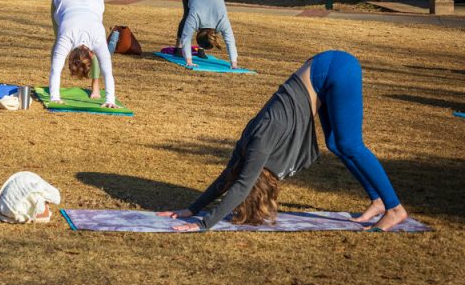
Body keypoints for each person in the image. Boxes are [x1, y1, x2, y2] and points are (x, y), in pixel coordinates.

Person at [158, 50, 408, 232]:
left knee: (352, 145)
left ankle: (394, 208)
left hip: (336, 70)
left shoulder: (259, 145)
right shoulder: (248, 145)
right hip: (321, 71)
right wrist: (192, 209)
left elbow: (242, 185)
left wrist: (203, 224)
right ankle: (377, 200)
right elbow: (228, 177)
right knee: (337, 144)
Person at [49, 0, 118, 108]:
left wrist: (110, 100)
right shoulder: (65, 38)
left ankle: (93, 85)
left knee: (58, 51)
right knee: (57, 46)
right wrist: (54, 98)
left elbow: (107, 72)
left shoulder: (97, 39)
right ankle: (54, 90)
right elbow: (107, 72)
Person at [175, 0, 239, 69]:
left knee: (188, 14)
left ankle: (195, 49)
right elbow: (186, 38)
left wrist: (189, 61)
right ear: (198, 32)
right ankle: (180, 48)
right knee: (188, 14)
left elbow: (186, 37)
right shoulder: (195, 17)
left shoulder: (221, 20)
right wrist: (234, 64)